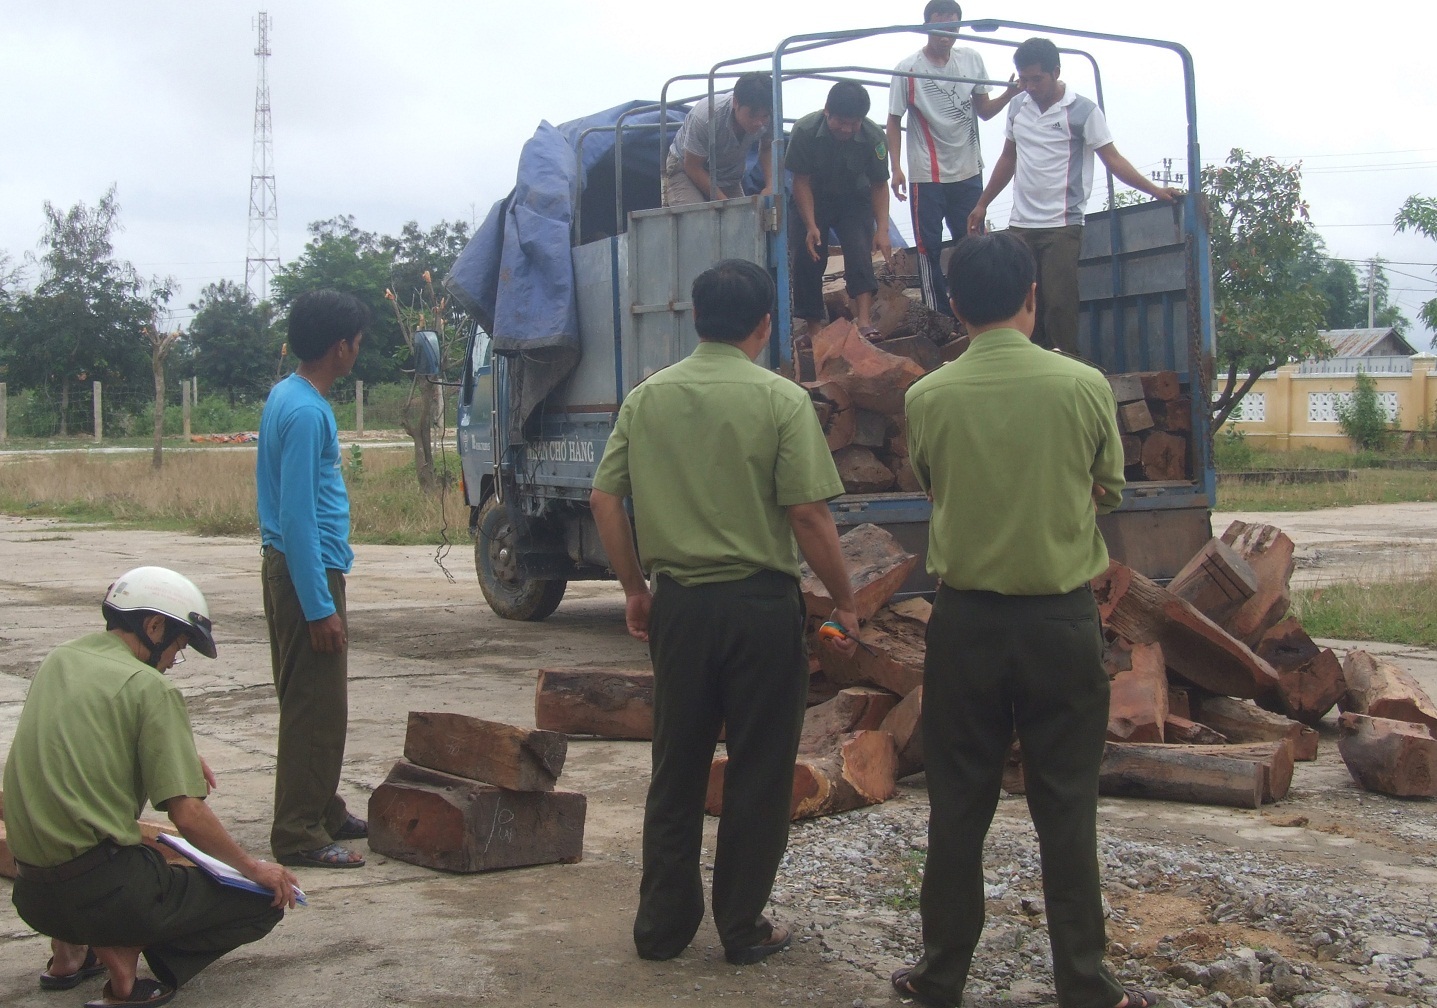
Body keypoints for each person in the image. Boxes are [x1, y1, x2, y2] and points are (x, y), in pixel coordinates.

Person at [892, 233, 1152, 1008]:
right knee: (1067, 804)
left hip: (965, 623)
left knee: (957, 804)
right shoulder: (1082, 387)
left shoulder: (926, 395)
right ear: (1031, 298)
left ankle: (941, 977)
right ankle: (1084, 982)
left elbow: (931, 483)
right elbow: (1108, 487)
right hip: (1060, 623)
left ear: (955, 307)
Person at [589, 258, 860, 967]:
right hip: (759, 609)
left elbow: (603, 500)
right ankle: (741, 925)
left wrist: (634, 589)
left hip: (679, 607)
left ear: (695, 320)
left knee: (675, 765)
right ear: (764, 324)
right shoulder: (779, 399)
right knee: (759, 768)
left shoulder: (648, 398)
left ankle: (660, 927)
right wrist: (846, 598)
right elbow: (806, 513)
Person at [4, 566, 298, 1008]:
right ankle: (123, 965)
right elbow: (188, 815)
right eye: (177, 649)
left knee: (70, 827)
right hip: (106, 894)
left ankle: (69, 954)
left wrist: (171, 749)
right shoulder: (150, 688)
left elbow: (77, 743)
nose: (171, 662)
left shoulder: (60, 660)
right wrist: (255, 868)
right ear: (154, 626)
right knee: (262, 901)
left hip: (32, 895)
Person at [966, 37, 1180, 356]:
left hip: (1062, 224)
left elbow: (1114, 160)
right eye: (1023, 79)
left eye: (1036, 79)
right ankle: (1028, 367)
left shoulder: (1082, 111)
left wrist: (1155, 190)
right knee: (1021, 304)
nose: (1029, 86)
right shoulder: (1016, 107)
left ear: (1056, 72)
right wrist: (982, 204)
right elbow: (1008, 159)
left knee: (1059, 304)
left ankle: (1067, 367)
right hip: (1020, 223)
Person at [256, 289, 370, 869]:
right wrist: (319, 605)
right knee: (315, 705)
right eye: (356, 341)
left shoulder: (290, 395)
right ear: (339, 348)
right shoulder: (305, 412)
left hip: (301, 567)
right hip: (309, 569)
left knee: (320, 700)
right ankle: (299, 832)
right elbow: (298, 516)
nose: (358, 350)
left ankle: (323, 807)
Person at [886, 0, 1019, 317]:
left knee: (974, 244)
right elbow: (893, 120)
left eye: (953, 25)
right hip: (926, 174)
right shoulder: (909, 68)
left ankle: (979, 309)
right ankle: (939, 316)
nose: (947, 33)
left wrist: (1008, 94)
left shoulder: (971, 60)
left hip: (968, 169)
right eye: (940, 25)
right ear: (926, 27)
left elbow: (984, 111)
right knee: (927, 248)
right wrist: (896, 168)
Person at [786, 80, 893, 340]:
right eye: (841, 122)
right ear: (827, 112)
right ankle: (814, 329)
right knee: (808, 256)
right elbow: (800, 181)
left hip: (854, 200)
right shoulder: (804, 131)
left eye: (853, 123)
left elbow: (879, 185)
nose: (846, 129)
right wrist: (811, 225)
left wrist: (883, 230)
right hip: (813, 198)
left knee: (859, 250)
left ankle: (865, 322)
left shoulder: (874, 137)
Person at [663, 71, 774, 206]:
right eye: (752, 115)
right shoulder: (707, 116)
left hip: (728, 175)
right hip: (686, 169)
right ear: (735, 103)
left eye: (764, 116)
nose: (759, 123)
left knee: (744, 223)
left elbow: (767, 148)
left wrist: (770, 185)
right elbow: (692, 166)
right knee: (699, 224)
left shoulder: (772, 116)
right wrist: (725, 205)